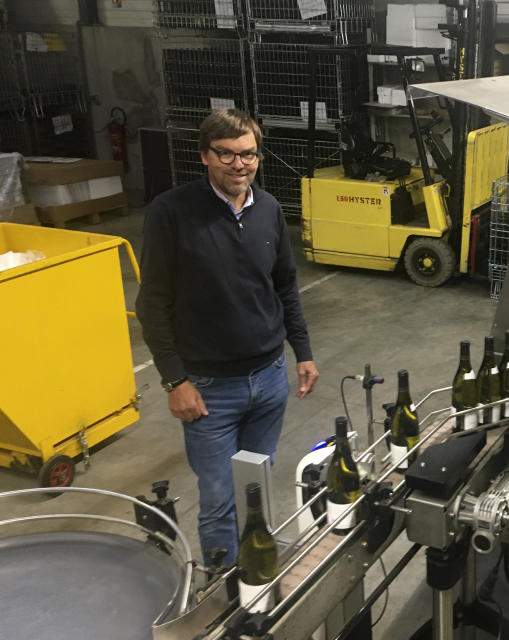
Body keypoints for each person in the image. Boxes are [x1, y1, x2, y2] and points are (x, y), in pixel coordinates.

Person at [136, 109, 320, 567]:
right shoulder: (172, 212)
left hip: (270, 378)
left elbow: (284, 287)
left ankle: (255, 577)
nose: (240, 165)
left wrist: (303, 352)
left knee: (255, 489)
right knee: (219, 500)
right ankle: (224, 593)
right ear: (205, 156)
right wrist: (174, 381)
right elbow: (152, 304)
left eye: (249, 154)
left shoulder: (270, 210)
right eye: (227, 155)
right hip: (209, 391)